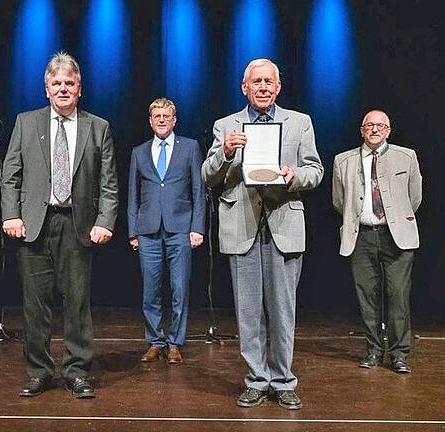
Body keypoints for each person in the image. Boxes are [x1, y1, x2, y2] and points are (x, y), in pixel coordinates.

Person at [201, 58, 323, 410]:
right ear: (245, 87)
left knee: (284, 311)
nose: (264, 87)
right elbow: (208, 176)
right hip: (242, 227)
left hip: (284, 223)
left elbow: (315, 170)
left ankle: (283, 380)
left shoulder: (300, 123)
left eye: (270, 81)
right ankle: (256, 378)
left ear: (278, 87)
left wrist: (293, 175)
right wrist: (225, 153)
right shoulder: (226, 125)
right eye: (257, 82)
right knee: (248, 312)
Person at [1, 51, 118, 399]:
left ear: (79, 89)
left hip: (78, 225)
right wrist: (11, 214)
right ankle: (39, 371)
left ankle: (77, 370)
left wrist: (106, 221)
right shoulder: (26, 122)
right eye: (56, 83)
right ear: (46, 89)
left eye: (69, 83)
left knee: (77, 303)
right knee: (34, 304)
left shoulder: (99, 127)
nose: (63, 89)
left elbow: (108, 183)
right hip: (34, 225)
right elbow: (11, 175)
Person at [332, 110, 422, 374]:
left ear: (389, 130)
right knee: (367, 298)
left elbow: (414, 197)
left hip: (397, 237)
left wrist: (395, 220)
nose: (375, 129)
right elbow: (340, 201)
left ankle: (399, 355)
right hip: (361, 236)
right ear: (361, 130)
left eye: (380, 125)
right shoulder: (343, 161)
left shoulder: (406, 156)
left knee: (398, 296)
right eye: (369, 125)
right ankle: (373, 351)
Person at [127, 98, 205, 365]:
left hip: (180, 229)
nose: (161, 120)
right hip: (147, 229)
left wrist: (197, 228)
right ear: (150, 121)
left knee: (179, 289)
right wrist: (132, 231)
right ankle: (155, 341)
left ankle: (174, 343)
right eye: (156, 116)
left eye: (166, 116)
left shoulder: (190, 148)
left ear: (174, 120)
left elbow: (198, 191)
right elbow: (132, 196)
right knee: (150, 291)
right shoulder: (139, 152)